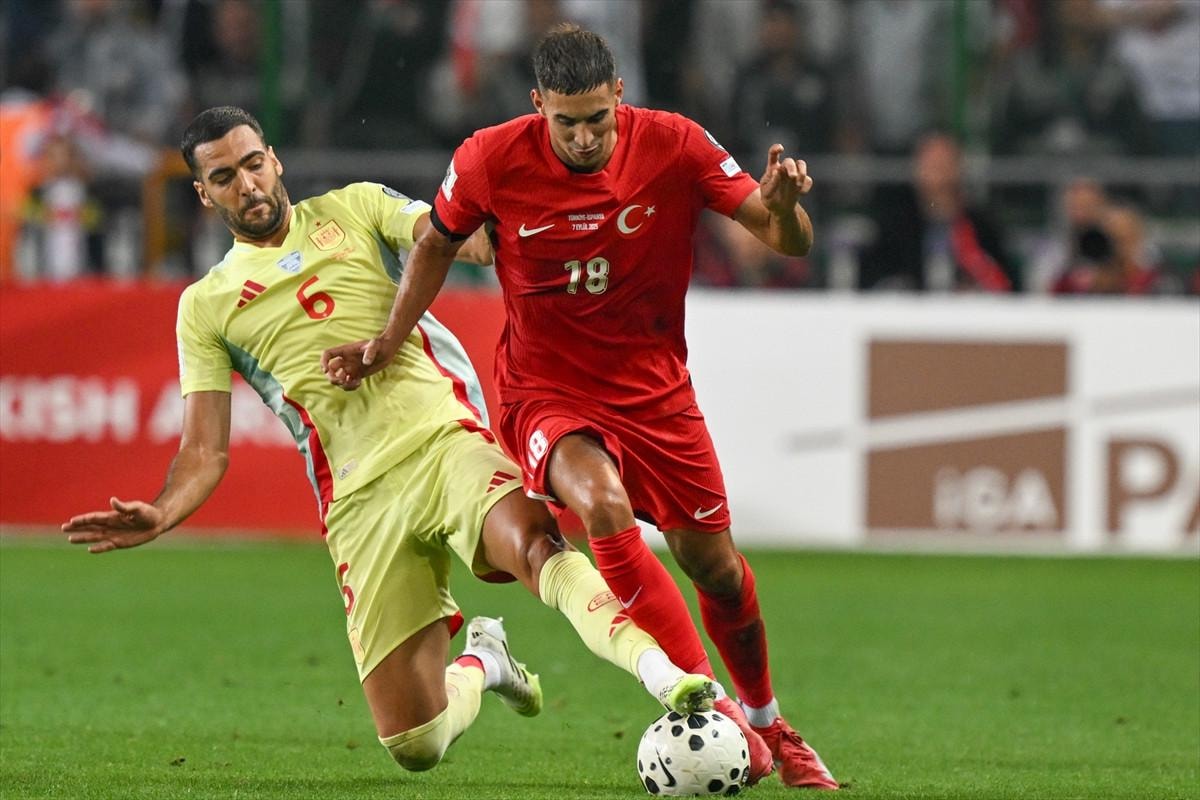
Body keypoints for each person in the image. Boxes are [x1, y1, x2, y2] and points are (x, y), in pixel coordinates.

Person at [61, 106, 719, 777]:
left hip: (443, 442)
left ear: (275, 159)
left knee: (535, 547)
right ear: (204, 194)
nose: (248, 185)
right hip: (359, 499)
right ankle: (485, 661)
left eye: (254, 164)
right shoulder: (206, 305)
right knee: (416, 743)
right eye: (225, 177)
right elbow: (205, 450)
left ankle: (664, 676)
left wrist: (506, 230)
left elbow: (449, 237)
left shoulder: (356, 207)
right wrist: (163, 512)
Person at [322, 24, 838, 790]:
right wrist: (388, 341)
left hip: (655, 391)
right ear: (539, 105)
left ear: (619, 97)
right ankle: (715, 708)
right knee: (599, 502)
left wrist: (786, 208)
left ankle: (768, 722)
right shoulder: (490, 158)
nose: (586, 137)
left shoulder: (675, 143)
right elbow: (434, 243)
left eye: (599, 118)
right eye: (568, 122)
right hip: (544, 392)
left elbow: (786, 239)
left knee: (718, 571)